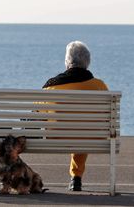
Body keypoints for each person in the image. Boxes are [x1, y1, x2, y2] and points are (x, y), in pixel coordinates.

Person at [42, 41, 108, 191]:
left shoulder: (51, 86)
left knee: (77, 131)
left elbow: (38, 114)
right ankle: (76, 177)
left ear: (67, 62)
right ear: (88, 63)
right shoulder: (100, 86)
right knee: (83, 132)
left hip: (54, 138)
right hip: (91, 138)